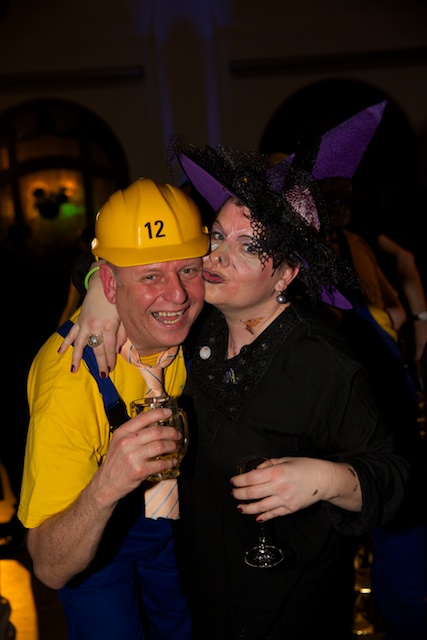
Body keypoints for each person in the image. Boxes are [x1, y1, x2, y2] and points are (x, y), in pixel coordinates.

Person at [59, 104, 410, 640]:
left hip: (289, 608)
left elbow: (395, 478)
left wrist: (323, 479)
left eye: (247, 247)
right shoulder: (195, 323)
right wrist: (98, 292)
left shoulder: (322, 361)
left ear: (287, 273)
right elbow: (126, 262)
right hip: (200, 596)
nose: (216, 256)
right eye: (217, 235)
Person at [16, 177, 210, 640]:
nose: (178, 295)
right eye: (151, 276)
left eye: (188, 270)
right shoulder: (68, 382)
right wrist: (107, 486)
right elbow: (49, 565)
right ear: (109, 281)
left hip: (171, 525)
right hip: (91, 536)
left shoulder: (205, 320)